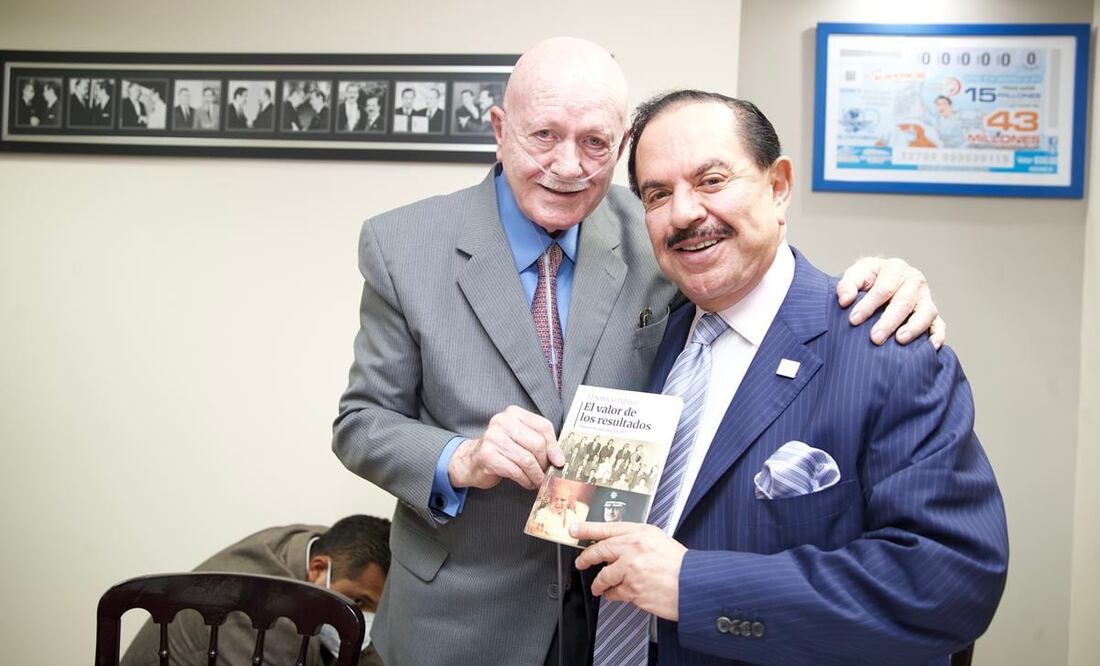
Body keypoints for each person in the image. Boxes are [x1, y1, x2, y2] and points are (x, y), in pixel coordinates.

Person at [332, 37, 943, 666]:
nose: (568, 165)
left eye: (595, 142)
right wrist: (460, 457)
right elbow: (360, 422)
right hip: (463, 617)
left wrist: (885, 280)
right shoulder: (403, 245)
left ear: (621, 143)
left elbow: (753, 255)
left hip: (619, 612)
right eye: (543, 135)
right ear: (499, 130)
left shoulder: (662, 228)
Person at [571, 90, 1009, 666]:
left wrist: (693, 586)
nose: (683, 214)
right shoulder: (646, 341)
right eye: (658, 195)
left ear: (778, 186)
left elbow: (948, 581)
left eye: (711, 180)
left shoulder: (887, 349)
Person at [121, 515, 390, 666]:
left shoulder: (323, 547)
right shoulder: (266, 612)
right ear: (318, 569)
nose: (365, 616)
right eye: (358, 601)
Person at [530, 478, 588, 543]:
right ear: (551, 498)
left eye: (563, 500)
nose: (558, 503)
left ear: (568, 501)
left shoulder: (572, 515)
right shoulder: (542, 514)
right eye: (556, 499)